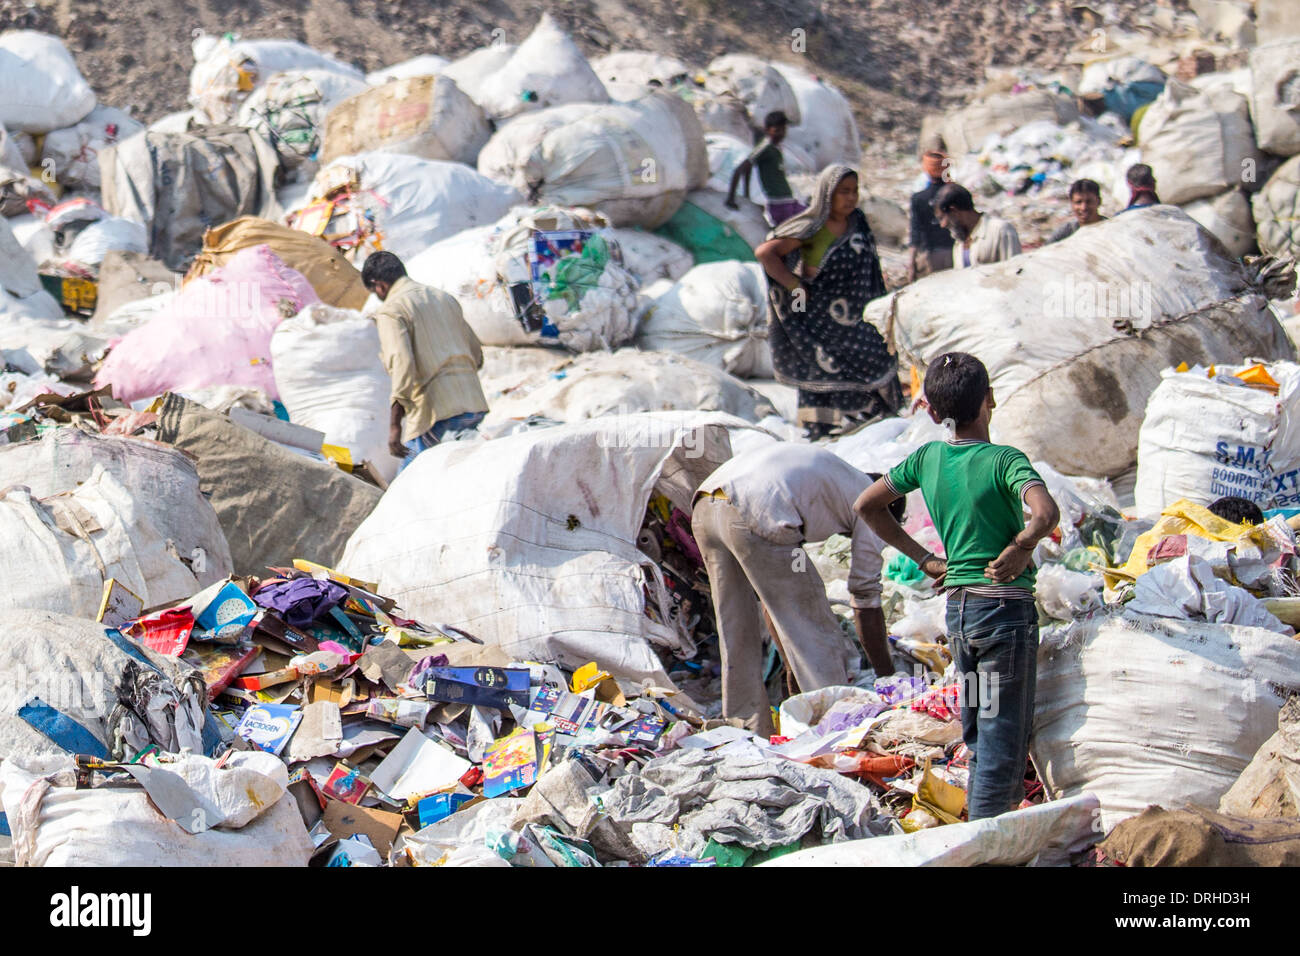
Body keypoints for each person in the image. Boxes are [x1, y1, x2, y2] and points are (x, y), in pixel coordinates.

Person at [854, 352, 1061, 820]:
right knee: (1001, 737)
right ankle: (987, 841)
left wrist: (925, 558)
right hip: (1004, 617)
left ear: (929, 411)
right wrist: (1023, 544)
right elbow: (1046, 514)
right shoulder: (1004, 460)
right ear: (991, 399)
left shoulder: (927, 457)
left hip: (962, 616)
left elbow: (867, 504)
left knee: (978, 729)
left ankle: (981, 824)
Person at [692, 444, 903, 737]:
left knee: (735, 625)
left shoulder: (839, 477)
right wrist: (887, 678)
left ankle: (745, 728)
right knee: (814, 619)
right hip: (756, 509)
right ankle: (834, 728)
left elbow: (771, 601)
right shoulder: (875, 510)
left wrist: (792, 665)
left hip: (707, 503)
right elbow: (865, 599)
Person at [754, 164, 900, 440]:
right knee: (824, 378)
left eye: (854, 191)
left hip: (858, 318)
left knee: (876, 358)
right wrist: (794, 285)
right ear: (826, 194)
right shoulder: (811, 227)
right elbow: (766, 253)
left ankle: (870, 433)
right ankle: (826, 434)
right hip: (821, 322)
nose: (850, 198)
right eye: (843, 192)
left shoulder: (858, 221)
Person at [362, 251, 489, 473]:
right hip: (474, 404)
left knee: (408, 486)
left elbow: (402, 365)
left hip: (437, 414)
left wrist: (394, 426)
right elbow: (476, 354)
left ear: (379, 285)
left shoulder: (391, 310)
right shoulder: (444, 298)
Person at [725, 110, 806, 227]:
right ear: (767, 130)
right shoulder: (765, 147)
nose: (781, 134)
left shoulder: (775, 147)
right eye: (777, 130)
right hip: (780, 206)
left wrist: (747, 195)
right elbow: (741, 169)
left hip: (788, 202)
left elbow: (749, 169)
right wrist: (731, 198)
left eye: (783, 130)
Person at [932, 182, 1022, 269]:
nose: (942, 225)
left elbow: (1013, 272)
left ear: (954, 211)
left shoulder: (1000, 230)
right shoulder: (959, 242)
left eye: (942, 218)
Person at [907, 151, 955, 280]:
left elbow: (915, 232)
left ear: (927, 170)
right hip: (955, 254)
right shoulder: (956, 193)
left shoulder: (919, 198)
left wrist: (911, 264)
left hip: (929, 256)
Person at [1047, 179, 1107, 243]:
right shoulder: (1065, 233)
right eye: (1078, 202)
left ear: (1099, 202)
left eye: (1089, 202)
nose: (1084, 208)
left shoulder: (1109, 230)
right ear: (1071, 204)